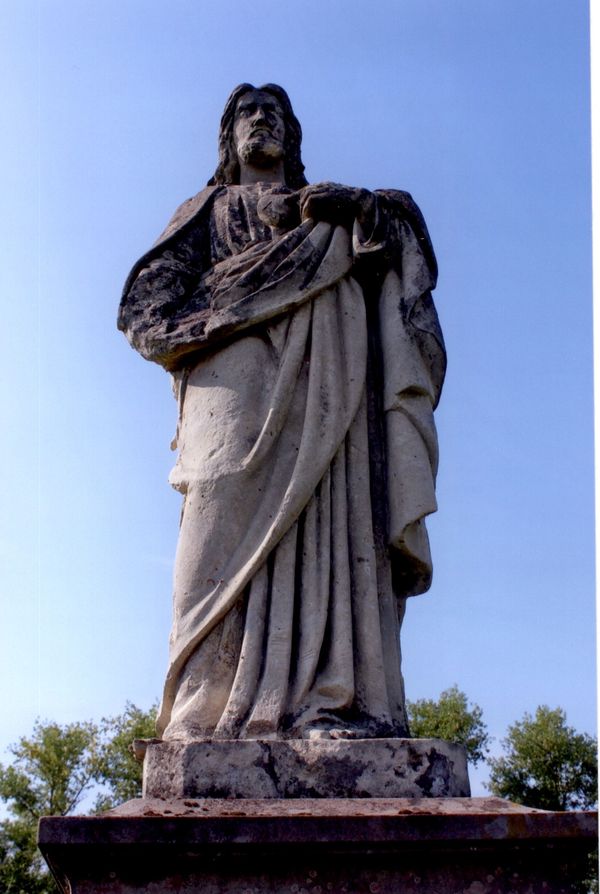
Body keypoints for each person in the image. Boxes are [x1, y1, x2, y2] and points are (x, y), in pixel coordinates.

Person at [118, 83, 446, 741]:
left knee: (333, 525)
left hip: (330, 384)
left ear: (292, 138)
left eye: (275, 112)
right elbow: (143, 314)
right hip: (232, 387)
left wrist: (362, 209)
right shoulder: (205, 209)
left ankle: (332, 700)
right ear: (229, 136)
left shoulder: (331, 212)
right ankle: (202, 709)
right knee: (213, 527)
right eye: (248, 110)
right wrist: (225, 318)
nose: (263, 117)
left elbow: (402, 265)